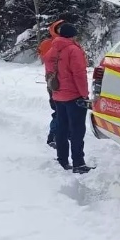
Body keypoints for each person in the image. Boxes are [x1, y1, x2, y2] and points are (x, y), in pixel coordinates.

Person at [47, 23, 91, 173]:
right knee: (77, 130)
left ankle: (62, 160)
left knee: (62, 128)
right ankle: (78, 163)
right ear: (72, 35)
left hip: (58, 95)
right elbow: (79, 74)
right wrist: (84, 94)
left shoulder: (53, 49)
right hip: (74, 96)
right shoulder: (73, 50)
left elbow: (49, 72)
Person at [38, 13, 79, 148]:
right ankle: (54, 136)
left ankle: (61, 134)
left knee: (62, 112)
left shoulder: (59, 44)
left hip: (59, 84)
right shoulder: (51, 45)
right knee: (59, 112)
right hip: (56, 84)